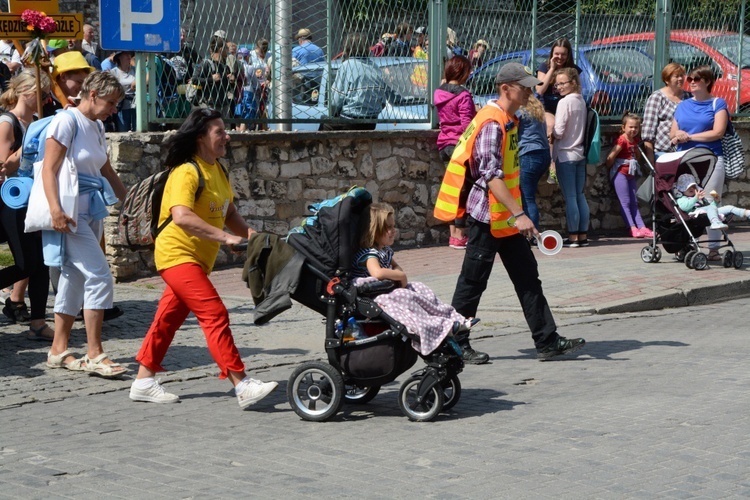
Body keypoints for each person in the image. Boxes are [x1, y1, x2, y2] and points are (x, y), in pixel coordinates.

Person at [130, 108, 278, 408]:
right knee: (215, 313)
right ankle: (241, 383)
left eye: (225, 130)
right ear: (200, 138)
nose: (227, 136)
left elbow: (230, 212)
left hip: (197, 259)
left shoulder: (218, 169)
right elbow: (181, 217)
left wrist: (255, 238)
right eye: (219, 131)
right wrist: (225, 238)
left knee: (167, 319)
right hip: (176, 254)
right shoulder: (187, 170)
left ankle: (143, 381)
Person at [447, 62, 585, 362]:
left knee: (527, 277)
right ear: (506, 88)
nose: (529, 91)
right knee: (472, 282)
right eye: (523, 86)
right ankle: (454, 345)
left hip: (504, 216)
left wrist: (516, 213)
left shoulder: (509, 119)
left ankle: (547, 341)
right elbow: (490, 176)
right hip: (487, 217)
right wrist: (520, 214)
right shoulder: (492, 122)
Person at [42, 71, 129, 377]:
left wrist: (127, 200)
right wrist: (55, 209)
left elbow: (104, 167)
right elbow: (49, 169)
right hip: (69, 213)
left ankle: (57, 350)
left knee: (74, 277)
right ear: (92, 94)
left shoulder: (97, 125)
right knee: (100, 275)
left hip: (90, 210)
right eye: (110, 101)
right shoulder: (67, 121)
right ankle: (94, 353)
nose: (114, 108)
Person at [352, 202, 475, 356]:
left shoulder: (385, 251)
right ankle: (435, 326)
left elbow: (396, 268)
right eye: (388, 228)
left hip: (386, 288)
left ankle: (449, 317)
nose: (393, 231)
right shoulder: (369, 253)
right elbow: (377, 273)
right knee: (405, 296)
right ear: (374, 231)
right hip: (373, 296)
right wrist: (400, 277)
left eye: (393, 226)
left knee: (418, 288)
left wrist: (398, 275)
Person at [0, 70, 54, 340]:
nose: (44, 98)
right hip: (12, 202)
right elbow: (3, 167)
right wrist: (28, 145)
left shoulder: (36, 120)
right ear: (24, 90)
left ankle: (38, 322)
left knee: (41, 263)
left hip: (35, 198)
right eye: (40, 93)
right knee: (26, 264)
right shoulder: (7, 122)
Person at [670, 65, 729, 261]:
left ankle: (713, 249)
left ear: (707, 81)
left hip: (711, 159)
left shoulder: (717, 104)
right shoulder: (683, 105)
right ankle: (685, 244)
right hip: (685, 160)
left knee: (711, 200)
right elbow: (673, 133)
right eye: (690, 80)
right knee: (686, 204)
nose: (692, 82)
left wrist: (690, 136)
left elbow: (718, 132)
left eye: (697, 79)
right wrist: (678, 135)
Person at [434, 55, 476, 249]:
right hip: (459, 146)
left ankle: (453, 234)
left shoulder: (439, 92)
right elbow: (467, 125)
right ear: (463, 72)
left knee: (452, 190)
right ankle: (459, 234)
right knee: (463, 191)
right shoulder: (463, 95)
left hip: (444, 144)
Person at [320, 33, 388, 131]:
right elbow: (382, 102)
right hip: (371, 122)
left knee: (324, 123)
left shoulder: (346, 66)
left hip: (350, 119)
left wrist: (333, 113)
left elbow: (335, 100)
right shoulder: (375, 67)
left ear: (347, 48)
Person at [553, 67, 589, 248]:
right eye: (557, 83)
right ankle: (583, 234)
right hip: (580, 153)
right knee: (580, 195)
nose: (558, 87)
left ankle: (573, 236)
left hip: (566, 154)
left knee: (571, 197)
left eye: (562, 83)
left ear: (573, 83)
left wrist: (549, 131)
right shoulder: (581, 100)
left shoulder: (564, 102)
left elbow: (558, 131)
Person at [536, 38, 582, 179]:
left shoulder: (573, 70)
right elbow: (540, 90)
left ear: (568, 55)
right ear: (552, 53)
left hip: (565, 106)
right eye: (557, 54)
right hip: (547, 107)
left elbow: (577, 90)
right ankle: (552, 165)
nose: (560, 57)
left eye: (563, 54)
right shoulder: (544, 67)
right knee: (551, 125)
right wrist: (551, 69)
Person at [605, 112, 653, 238]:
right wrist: (611, 169)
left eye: (636, 127)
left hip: (630, 174)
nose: (633, 130)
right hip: (621, 173)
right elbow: (611, 156)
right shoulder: (622, 140)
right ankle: (631, 227)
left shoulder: (635, 141)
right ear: (623, 127)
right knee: (625, 201)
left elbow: (636, 155)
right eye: (630, 127)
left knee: (634, 201)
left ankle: (641, 226)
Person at [642, 63, 689, 167]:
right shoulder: (657, 97)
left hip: (686, 152)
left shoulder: (689, 97)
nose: (680, 78)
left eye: (682, 75)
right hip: (663, 152)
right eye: (676, 76)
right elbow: (648, 131)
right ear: (667, 80)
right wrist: (650, 160)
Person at [517, 94, 551, 231]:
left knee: (527, 198)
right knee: (530, 196)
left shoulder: (520, 110)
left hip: (528, 154)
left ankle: (532, 234)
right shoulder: (536, 108)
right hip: (543, 154)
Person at [674, 173, 749, 229]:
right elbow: (684, 207)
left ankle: (746, 213)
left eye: (693, 187)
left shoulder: (699, 198)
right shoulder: (682, 199)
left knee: (729, 207)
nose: (691, 189)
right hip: (695, 215)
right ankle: (715, 223)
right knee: (711, 208)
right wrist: (695, 198)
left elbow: (710, 207)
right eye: (688, 187)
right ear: (681, 189)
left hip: (706, 212)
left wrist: (715, 202)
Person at [191, 36, 233, 118]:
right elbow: (194, 80)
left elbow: (228, 87)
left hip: (224, 105)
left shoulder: (225, 67)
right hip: (210, 104)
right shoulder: (206, 64)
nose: (228, 51)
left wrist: (232, 81)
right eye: (226, 49)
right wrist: (211, 79)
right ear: (221, 49)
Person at [109, 51, 136, 131]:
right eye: (126, 54)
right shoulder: (114, 72)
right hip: (121, 107)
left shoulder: (136, 70)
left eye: (130, 54)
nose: (129, 56)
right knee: (123, 131)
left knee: (137, 130)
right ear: (119, 57)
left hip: (136, 106)